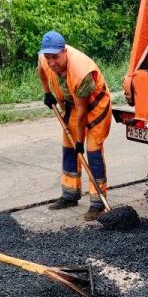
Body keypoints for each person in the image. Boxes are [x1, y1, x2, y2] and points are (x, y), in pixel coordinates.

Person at [37, 31, 113, 221]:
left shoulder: (81, 72)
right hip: (71, 105)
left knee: (92, 150)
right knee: (69, 148)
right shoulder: (44, 59)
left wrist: (80, 141)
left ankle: (97, 203)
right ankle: (70, 195)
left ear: (64, 51)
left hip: (95, 107)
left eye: (55, 57)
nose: (51, 62)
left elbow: (82, 112)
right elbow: (41, 70)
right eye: (48, 58)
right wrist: (48, 93)